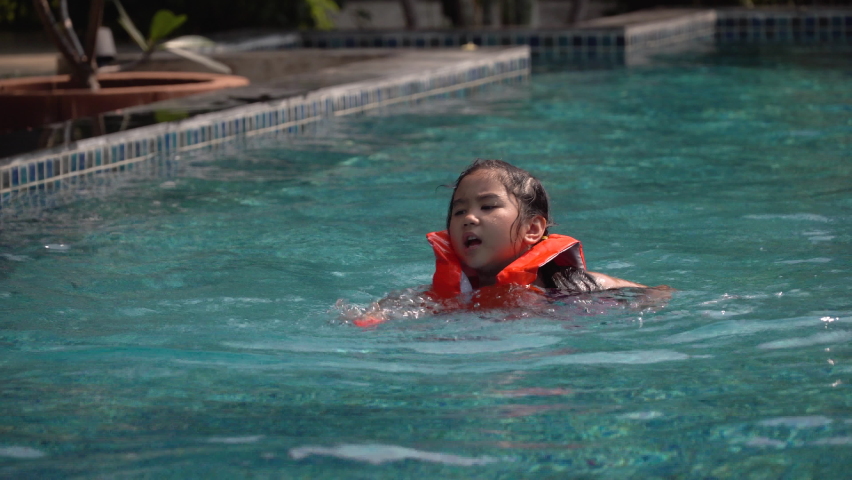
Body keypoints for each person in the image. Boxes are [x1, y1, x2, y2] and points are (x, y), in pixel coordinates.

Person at [351, 159, 668, 327]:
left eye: (488, 206)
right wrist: (372, 317)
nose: (469, 218)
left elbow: (658, 293)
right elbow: (386, 309)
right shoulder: (444, 296)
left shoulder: (574, 287)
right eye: (459, 211)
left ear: (532, 229)